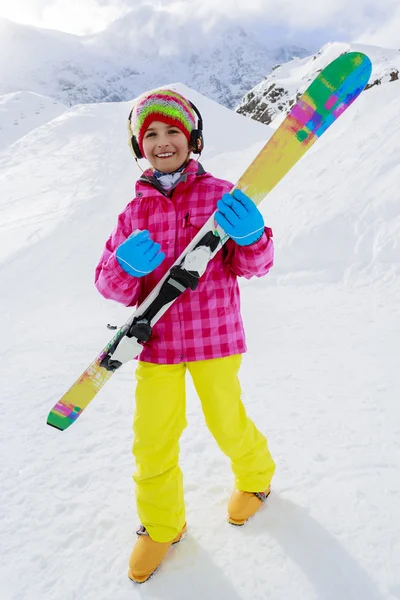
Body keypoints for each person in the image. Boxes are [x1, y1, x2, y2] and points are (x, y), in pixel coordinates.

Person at [94, 88, 276, 583]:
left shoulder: (222, 195)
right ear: (139, 147)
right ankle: (161, 525)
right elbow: (109, 285)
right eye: (150, 133)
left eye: (172, 130)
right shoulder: (134, 212)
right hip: (156, 346)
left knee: (225, 420)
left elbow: (254, 265)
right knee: (152, 440)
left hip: (215, 339)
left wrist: (254, 237)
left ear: (192, 138)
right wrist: (124, 267)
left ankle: (257, 478)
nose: (162, 140)